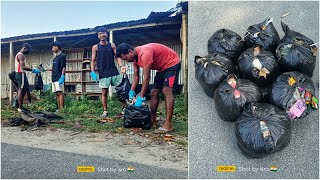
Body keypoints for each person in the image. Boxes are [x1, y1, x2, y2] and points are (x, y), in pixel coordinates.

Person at [116, 43, 181, 133]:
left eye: (125, 58)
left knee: (166, 90)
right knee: (154, 92)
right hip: (161, 68)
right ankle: (152, 120)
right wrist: (131, 91)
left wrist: (141, 96)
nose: (126, 61)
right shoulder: (134, 59)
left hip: (172, 63)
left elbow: (146, 77)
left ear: (129, 51)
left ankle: (168, 124)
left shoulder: (145, 53)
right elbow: (136, 77)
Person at [90, 27, 126, 117]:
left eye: (104, 33)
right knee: (104, 93)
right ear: (98, 36)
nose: (102, 35)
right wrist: (92, 72)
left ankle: (124, 109)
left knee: (121, 90)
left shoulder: (112, 45)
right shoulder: (95, 47)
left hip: (114, 71)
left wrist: (121, 66)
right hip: (103, 73)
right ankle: (105, 111)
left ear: (107, 34)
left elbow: (117, 57)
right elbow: (93, 60)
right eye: (100, 33)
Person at [15, 43, 41, 112]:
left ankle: (22, 105)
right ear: (24, 48)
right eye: (28, 50)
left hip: (21, 74)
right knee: (21, 90)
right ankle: (20, 107)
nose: (29, 52)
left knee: (25, 89)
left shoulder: (19, 55)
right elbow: (22, 67)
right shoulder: (21, 55)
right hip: (21, 74)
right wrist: (33, 69)